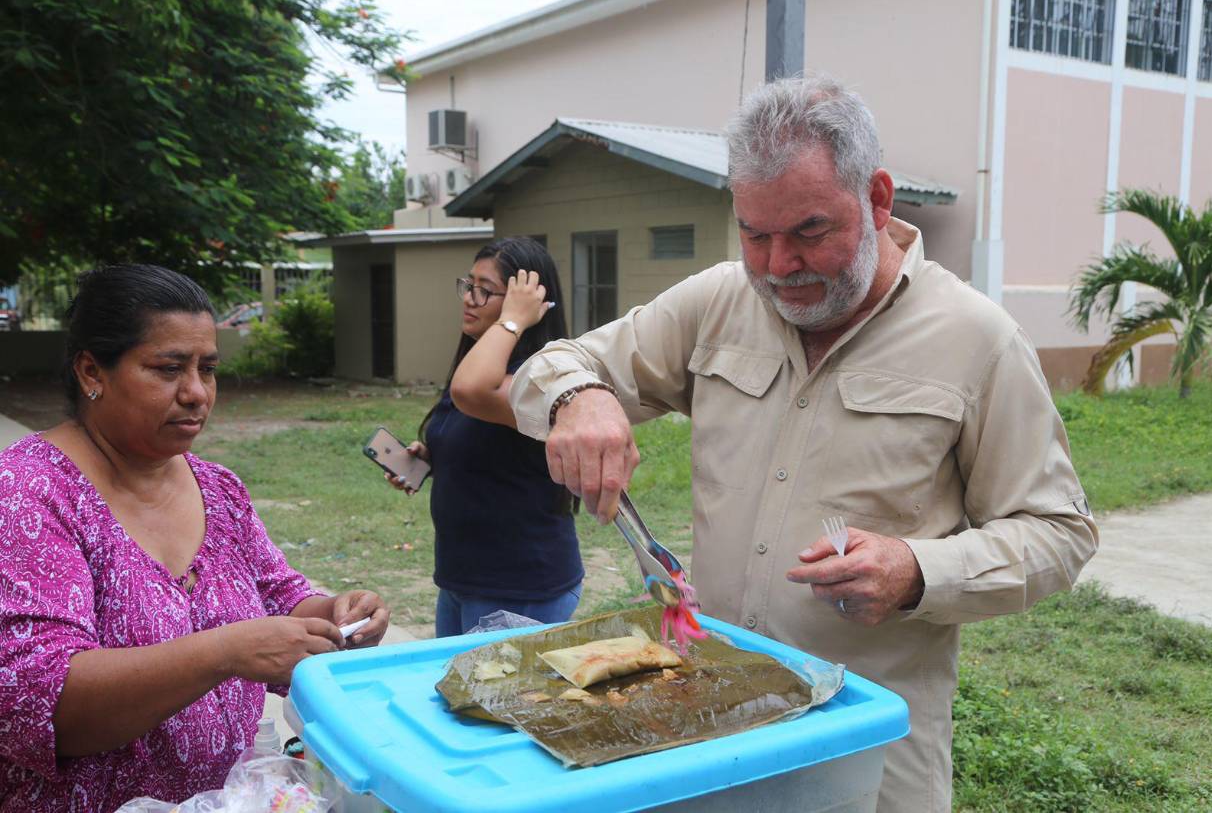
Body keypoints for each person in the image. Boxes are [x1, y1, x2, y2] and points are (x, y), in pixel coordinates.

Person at [507, 76, 1099, 812]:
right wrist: (579, 395)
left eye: (810, 231)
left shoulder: (977, 340)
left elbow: (1060, 531)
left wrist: (920, 568)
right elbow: (545, 367)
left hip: (870, 746)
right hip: (713, 730)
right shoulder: (718, 301)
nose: (777, 265)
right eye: (754, 232)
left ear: (879, 198)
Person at [0, 265, 390, 812]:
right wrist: (225, 652)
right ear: (93, 370)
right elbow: (43, 705)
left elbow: (279, 597)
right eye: (167, 369)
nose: (196, 393)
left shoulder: (217, 487)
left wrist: (338, 613)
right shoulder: (27, 493)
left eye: (207, 369)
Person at [387, 237, 583, 637]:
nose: (470, 299)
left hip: (519, 585)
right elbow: (490, 446)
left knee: (491, 700)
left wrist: (512, 320)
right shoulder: (476, 365)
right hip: (463, 578)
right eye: (468, 284)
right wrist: (432, 457)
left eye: (485, 290)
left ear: (525, 303)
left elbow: (474, 393)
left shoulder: (539, 378)